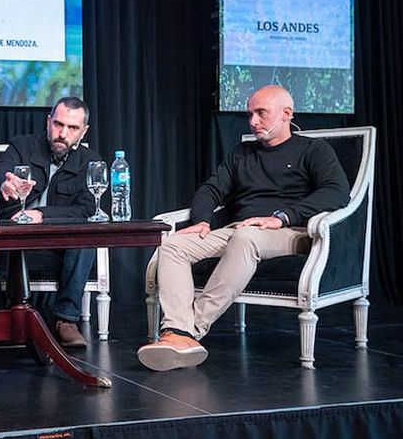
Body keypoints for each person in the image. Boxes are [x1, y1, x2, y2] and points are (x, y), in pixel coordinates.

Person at [137, 85, 350, 371]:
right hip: (240, 229)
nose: (253, 121)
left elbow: (337, 192)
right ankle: (176, 330)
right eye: (250, 114)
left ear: (286, 113)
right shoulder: (242, 153)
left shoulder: (313, 150)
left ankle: (189, 332)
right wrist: (202, 220)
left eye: (261, 113)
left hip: (290, 231)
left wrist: (283, 216)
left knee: (246, 237)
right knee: (173, 244)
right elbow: (211, 189)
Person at [0, 96, 102, 348]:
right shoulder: (22, 146)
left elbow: (87, 208)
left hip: (55, 246)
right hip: (11, 240)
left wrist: (43, 215)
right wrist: (3, 183)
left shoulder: (90, 162)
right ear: (48, 121)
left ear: (83, 131)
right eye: (58, 124)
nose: (62, 133)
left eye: (72, 128)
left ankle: (66, 320)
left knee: (86, 237)